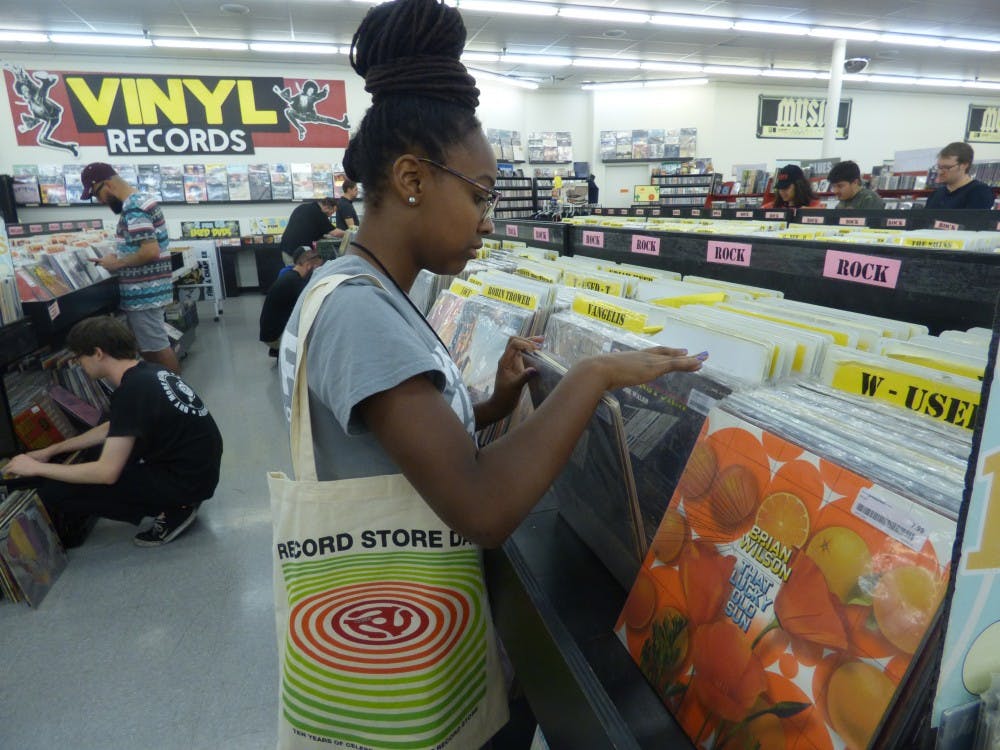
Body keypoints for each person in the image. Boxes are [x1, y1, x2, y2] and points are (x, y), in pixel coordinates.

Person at [278, 0, 705, 741]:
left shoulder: (363, 288)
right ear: (412, 178)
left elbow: (394, 439)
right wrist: (592, 377)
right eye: (479, 194)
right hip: (406, 658)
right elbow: (480, 508)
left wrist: (492, 404)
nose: (488, 220)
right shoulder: (359, 311)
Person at [5, 316, 223, 547]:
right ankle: (178, 500)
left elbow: (106, 473)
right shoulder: (147, 372)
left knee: (57, 491)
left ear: (98, 353)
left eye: (80, 357)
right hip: (198, 473)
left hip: (186, 483)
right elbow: (114, 427)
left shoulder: (131, 391)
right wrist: (52, 450)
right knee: (95, 452)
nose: (79, 364)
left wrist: (36, 468)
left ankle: (176, 507)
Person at [80, 162, 180, 374]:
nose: (100, 201)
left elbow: (150, 251)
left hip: (145, 294)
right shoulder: (141, 201)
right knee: (154, 346)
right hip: (150, 291)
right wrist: (118, 256)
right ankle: (168, 389)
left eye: (97, 194)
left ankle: (174, 391)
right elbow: (143, 246)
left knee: (156, 350)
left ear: (107, 184)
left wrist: (116, 263)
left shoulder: (134, 208)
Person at [259, 245, 322, 357]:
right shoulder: (296, 283)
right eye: (317, 268)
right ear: (308, 266)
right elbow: (313, 306)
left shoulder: (290, 276)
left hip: (270, 333)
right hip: (275, 338)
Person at [926, 142, 996, 210]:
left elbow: (973, 218)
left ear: (964, 165)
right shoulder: (937, 193)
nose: (940, 172)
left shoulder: (979, 191)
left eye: (947, 167)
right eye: (939, 167)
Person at [279, 197, 341, 264]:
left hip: (286, 248)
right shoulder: (319, 213)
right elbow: (335, 233)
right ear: (326, 207)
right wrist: (348, 232)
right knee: (298, 270)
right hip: (296, 253)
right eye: (332, 212)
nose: (330, 215)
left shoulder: (304, 207)